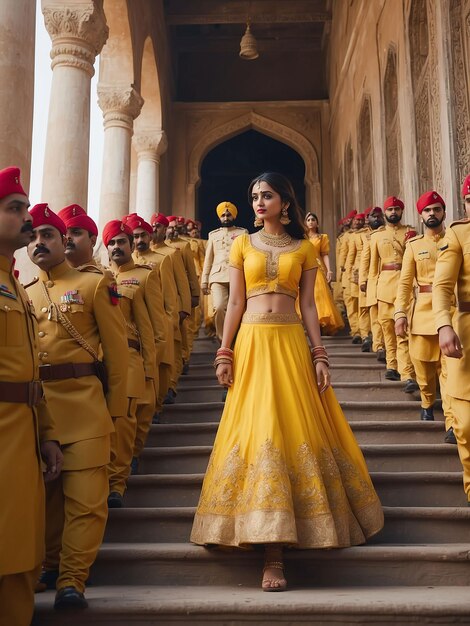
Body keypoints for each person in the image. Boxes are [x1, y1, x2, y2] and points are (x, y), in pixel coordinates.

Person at [190, 172, 384, 591]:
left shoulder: (303, 248)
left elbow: (310, 308)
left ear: (285, 202)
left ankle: (289, 541)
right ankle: (269, 552)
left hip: (292, 342)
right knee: (259, 430)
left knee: (293, 428)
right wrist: (224, 351)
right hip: (253, 344)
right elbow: (236, 301)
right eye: (255, 196)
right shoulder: (242, 244)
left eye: (267, 196)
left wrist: (319, 353)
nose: (259, 202)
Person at [26, 204, 128, 610]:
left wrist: (117, 412)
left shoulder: (94, 284)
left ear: (63, 240)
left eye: (48, 235)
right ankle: (50, 566)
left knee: (86, 502)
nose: (40, 242)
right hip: (38, 413)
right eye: (33, 235)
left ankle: (72, 580)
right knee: (46, 504)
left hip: (85, 409)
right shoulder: (23, 291)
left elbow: (118, 356)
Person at [0, 167, 62, 626]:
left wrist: (47, 433)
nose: (26, 218)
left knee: (22, 557)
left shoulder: (15, 284)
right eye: (14, 209)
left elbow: (31, 372)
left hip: (21, 435)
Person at [103, 220, 158, 507]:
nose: (116, 247)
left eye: (121, 242)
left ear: (130, 245)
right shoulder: (96, 278)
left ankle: (117, 484)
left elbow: (150, 330)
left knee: (125, 424)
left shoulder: (144, 277)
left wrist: (152, 370)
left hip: (131, 358)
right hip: (101, 364)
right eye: (111, 242)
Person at [395, 191, 455, 439]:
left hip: (451, 314)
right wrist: (400, 313)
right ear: (421, 216)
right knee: (422, 366)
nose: (432, 214)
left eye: (436, 209)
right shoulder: (413, 245)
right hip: (422, 314)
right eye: (427, 210)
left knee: (451, 371)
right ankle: (427, 402)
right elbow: (405, 284)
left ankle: (452, 422)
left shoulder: (455, 239)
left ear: (443, 212)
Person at [433, 200, 470, 502]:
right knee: (466, 421)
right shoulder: (458, 234)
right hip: (466, 331)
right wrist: (444, 325)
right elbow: (443, 286)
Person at [368, 196, 418, 392]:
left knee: (403, 330)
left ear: (401, 212)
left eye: (397, 209)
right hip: (384, 286)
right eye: (390, 210)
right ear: (385, 213)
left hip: (404, 286)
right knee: (387, 328)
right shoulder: (377, 237)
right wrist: (371, 293)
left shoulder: (410, 233)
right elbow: (373, 269)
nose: (393, 213)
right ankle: (391, 365)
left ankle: (407, 374)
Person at [200, 202, 247, 341]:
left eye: (228, 215)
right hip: (217, 276)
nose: (226, 218)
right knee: (219, 307)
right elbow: (208, 259)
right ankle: (223, 339)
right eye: (223, 215)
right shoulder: (213, 235)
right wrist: (204, 281)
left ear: (233, 216)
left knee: (239, 309)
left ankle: (236, 339)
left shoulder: (242, 233)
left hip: (238, 275)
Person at [304, 211, 344, 334]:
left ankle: (320, 322)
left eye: (313, 220)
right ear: (305, 223)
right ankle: (307, 323)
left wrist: (329, 270)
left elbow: (325, 255)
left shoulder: (322, 237)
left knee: (319, 295)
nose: (311, 222)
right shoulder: (302, 237)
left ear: (317, 222)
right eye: (308, 220)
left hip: (318, 268)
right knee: (306, 294)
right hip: (304, 268)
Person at [359, 207, 386, 361]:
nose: (376, 219)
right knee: (375, 315)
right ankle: (379, 346)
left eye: (378, 216)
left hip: (391, 281)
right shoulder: (369, 237)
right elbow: (365, 260)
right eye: (373, 216)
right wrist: (363, 280)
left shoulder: (389, 234)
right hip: (373, 280)